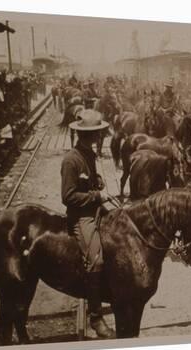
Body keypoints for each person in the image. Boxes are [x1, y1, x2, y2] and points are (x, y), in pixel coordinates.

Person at [60, 110, 115, 338]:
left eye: (97, 133)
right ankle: (96, 316)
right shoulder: (71, 160)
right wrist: (96, 197)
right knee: (96, 259)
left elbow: (90, 182)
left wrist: (97, 181)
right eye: (94, 133)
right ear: (84, 134)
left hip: (95, 209)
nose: (97, 137)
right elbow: (68, 196)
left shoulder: (89, 154)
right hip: (81, 215)